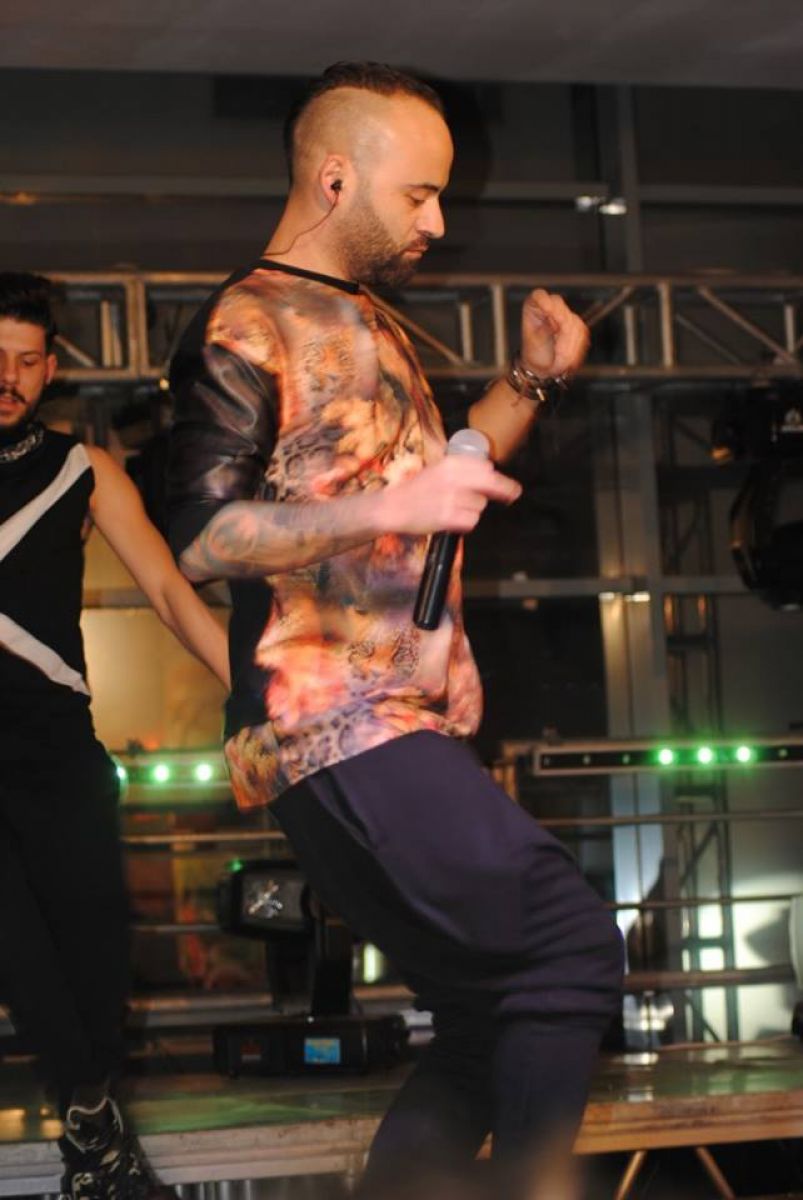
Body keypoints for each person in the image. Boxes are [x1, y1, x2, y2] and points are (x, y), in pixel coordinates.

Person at [168, 63, 623, 1198]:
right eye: (418, 194)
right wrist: (391, 508)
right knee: (567, 949)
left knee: (483, 1017)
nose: (436, 222)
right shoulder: (247, 321)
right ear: (335, 178)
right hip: (329, 716)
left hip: (379, 721)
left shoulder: (369, 323)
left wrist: (531, 381)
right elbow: (201, 538)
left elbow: (442, 470)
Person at [0, 272, 229, 1200]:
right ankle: (99, 1145)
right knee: (18, 947)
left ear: (51, 368)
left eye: (25, 361)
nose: (7, 378)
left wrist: (255, 687)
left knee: (94, 963)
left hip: (56, 746)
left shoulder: (83, 469)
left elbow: (169, 589)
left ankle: (93, 1132)